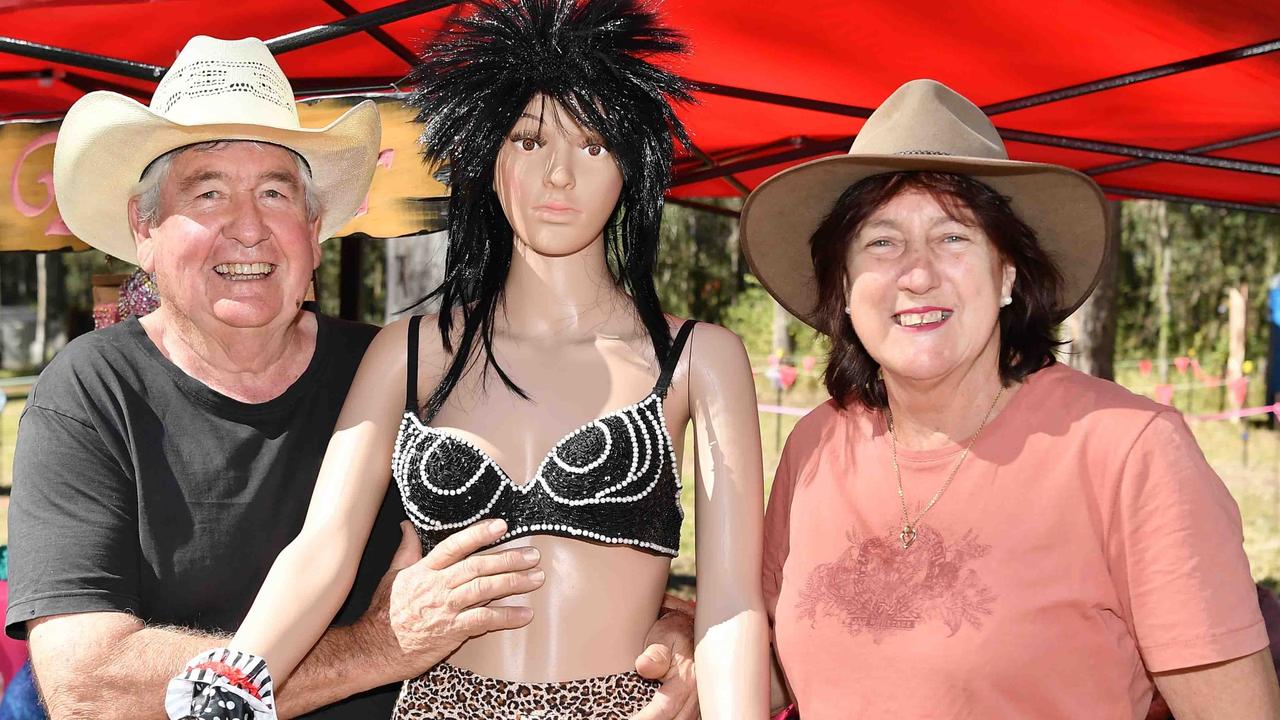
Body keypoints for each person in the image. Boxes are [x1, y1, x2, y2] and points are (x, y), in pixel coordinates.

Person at [6, 35, 696, 720]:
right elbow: (88, 687)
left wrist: (674, 627)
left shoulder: (408, 369)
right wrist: (381, 646)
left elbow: (559, 542)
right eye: (208, 192)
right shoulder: (90, 394)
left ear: (313, 228)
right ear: (145, 229)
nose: (248, 228)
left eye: (275, 192)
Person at [164, 2, 769, 719]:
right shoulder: (410, 351)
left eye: (595, 144)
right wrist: (234, 676)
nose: (560, 177)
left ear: (631, 166)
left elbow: (731, 605)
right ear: (487, 152)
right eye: (528, 140)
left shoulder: (699, 358)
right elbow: (323, 546)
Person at [738, 79, 1280, 719]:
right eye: (882, 242)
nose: (917, 273)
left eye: (954, 237)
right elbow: (782, 674)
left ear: (1007, 274)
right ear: (846, 286)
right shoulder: (816, 443)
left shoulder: (1129, 451)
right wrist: (683, 637)